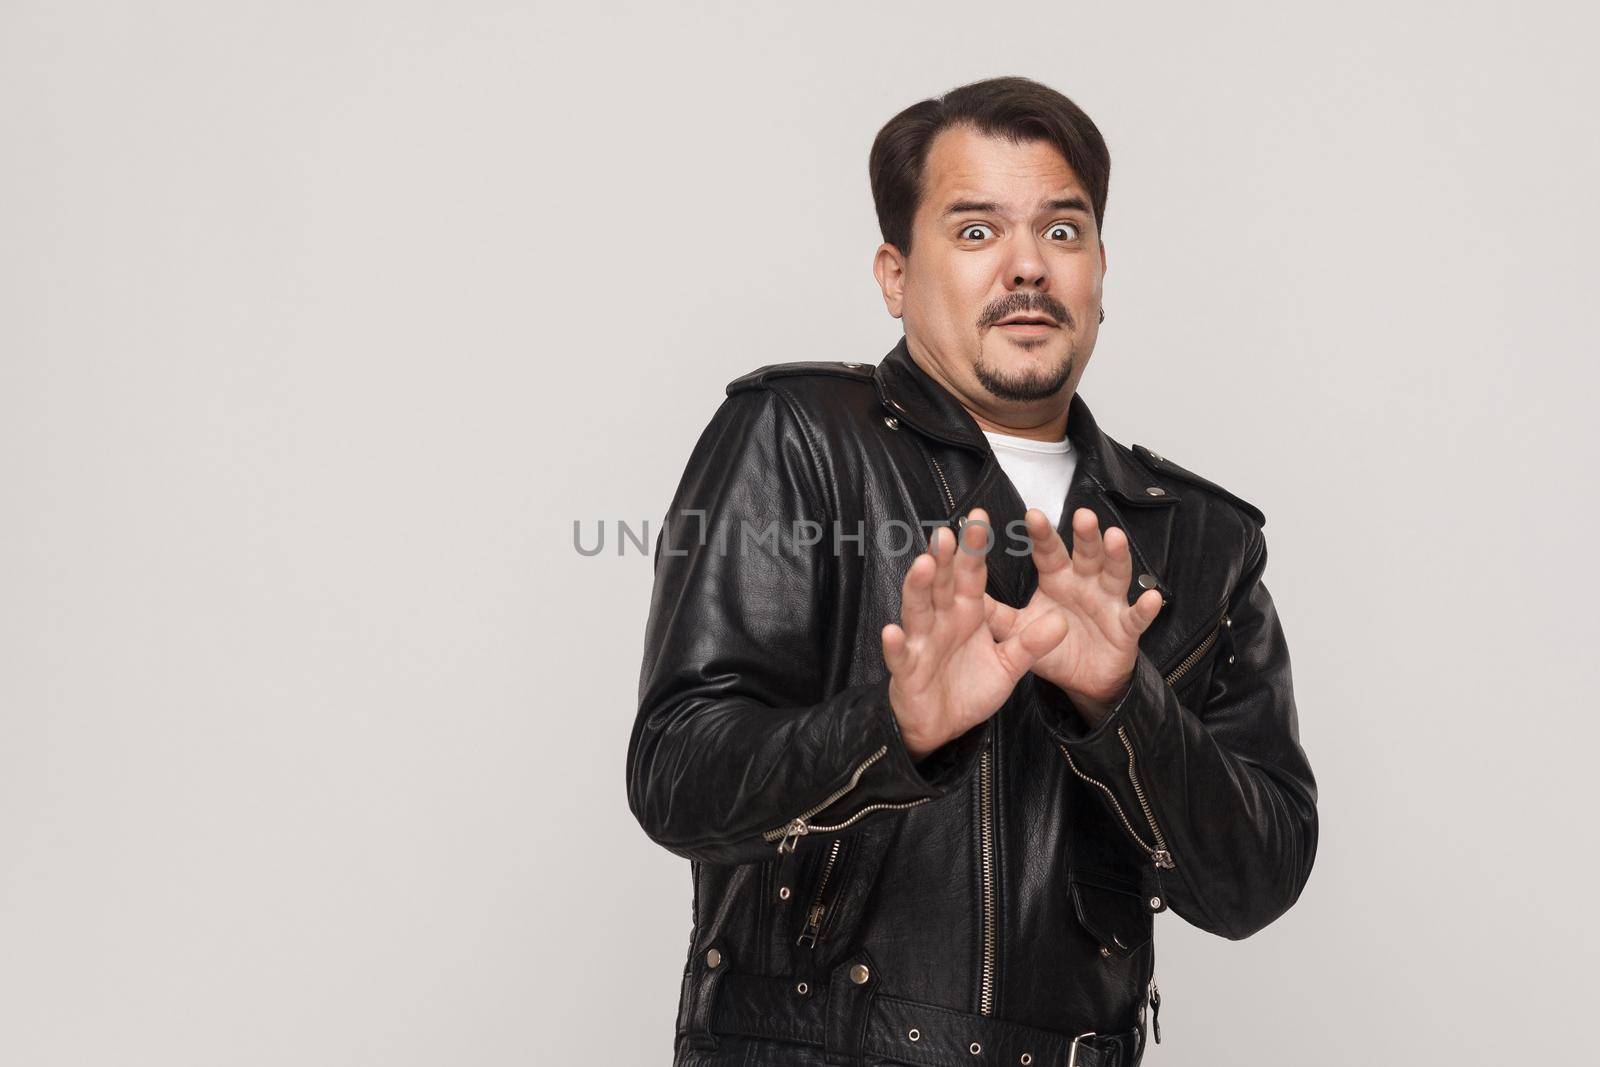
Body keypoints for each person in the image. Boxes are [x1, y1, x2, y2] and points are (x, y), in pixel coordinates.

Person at [626, 75, 1318, 1067]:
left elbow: (1255, 877)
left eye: (1063, 232)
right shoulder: (795, 439)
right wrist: (893, 728)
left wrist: (1123, 702)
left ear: (1100, 269)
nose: (1028, 266)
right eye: (977, 232)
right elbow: (677, 775)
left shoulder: (1200, 537)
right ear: (895, 274)